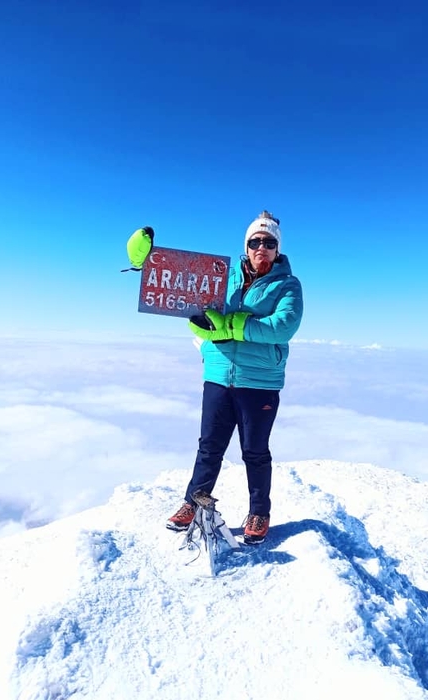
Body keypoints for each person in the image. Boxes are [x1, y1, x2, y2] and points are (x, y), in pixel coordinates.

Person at [126, 211, 303, 544]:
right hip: (218, 375)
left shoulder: (288, 285)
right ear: (246, 246)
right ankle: (192, 502)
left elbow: (284, 326)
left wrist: (232, 325)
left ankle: (259, 513)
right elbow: (191, 298)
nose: (260, 247)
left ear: (277, 248)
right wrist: (152, 266)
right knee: (209, 447)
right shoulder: (223, 276)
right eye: (254, 242)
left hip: (259, 382)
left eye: (268, 242)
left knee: (254, 451)